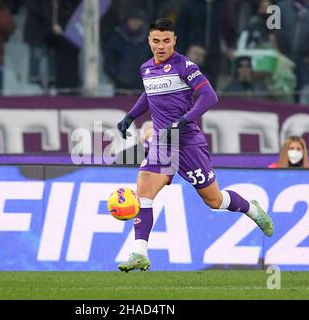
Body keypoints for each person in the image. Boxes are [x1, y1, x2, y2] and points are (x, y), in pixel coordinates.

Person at [116, 18, 274, 272]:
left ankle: (251, 209)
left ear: (174, 41)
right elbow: (149, 93)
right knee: (144, 191)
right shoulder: (146, 68)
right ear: (149, 41)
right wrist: (131, 115)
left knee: (214, 200)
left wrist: (182, 121)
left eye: (166, 41)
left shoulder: (184, 65)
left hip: (188, 142)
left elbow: (209, 95)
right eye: (156, 41)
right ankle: (139, 253)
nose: (161, 46)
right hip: (162, 142)